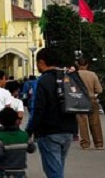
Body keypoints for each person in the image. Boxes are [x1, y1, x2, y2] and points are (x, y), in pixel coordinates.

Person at [28, 47, 78, 178]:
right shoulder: (68, 77)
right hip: (68, 129)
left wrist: (30, 130)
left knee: (53, 171)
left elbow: (38, 109)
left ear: (42, 62)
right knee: (58, 167)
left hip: (49, 131)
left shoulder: (43, 81)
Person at [0, 108, 36, 178]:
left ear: (0, 122)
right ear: (16, 120)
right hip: (21, 173)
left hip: (4, 172)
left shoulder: (0, 137)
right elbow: (32, 149)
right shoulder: (24, 135)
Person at [75, 58, 104, 150]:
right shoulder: (93, 74)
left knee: (82, 122)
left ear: (77, 65)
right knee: (95, 122)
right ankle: (98, 143)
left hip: (80, 100)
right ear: (87, 65)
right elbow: (99, 90)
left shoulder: (74, 75)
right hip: (92, 99)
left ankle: (85, 143)